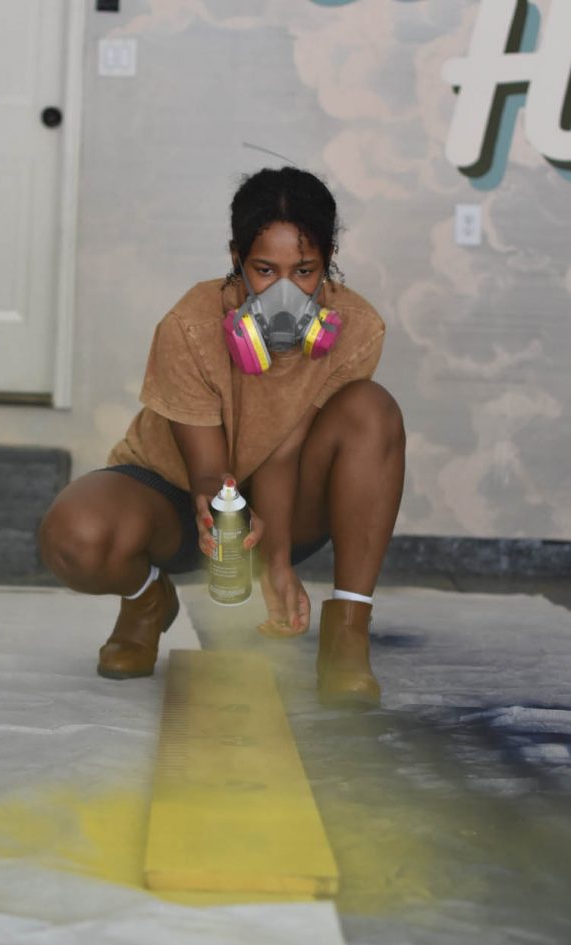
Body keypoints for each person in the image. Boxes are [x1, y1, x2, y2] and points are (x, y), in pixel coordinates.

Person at [39, 167, 405, 709]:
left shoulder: (357, 327)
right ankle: (146, 600)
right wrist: (224, 517)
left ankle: (348, 633)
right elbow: (209, 475)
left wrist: (277, 561)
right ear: (236, 257)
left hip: (287, 501)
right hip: (176, 494)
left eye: (305, 271)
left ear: (328, 258)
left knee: (373, 412)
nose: (286, 291)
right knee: (76, 537)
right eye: (264, 269)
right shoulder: (190, 325)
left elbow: (286, 449)